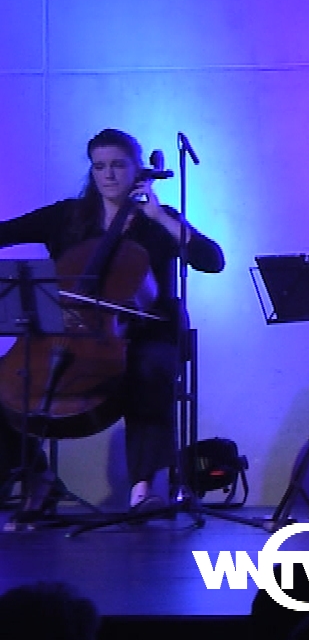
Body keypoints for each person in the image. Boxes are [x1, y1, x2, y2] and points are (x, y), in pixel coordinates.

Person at [0, 129, 225, 518]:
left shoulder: (158, 221)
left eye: (118, 165)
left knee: (149, 369)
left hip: (148, 333)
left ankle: (143, 490)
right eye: (100, 166)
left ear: (136, 169)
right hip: (69, 334)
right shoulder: (67, 216)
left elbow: (212, 260)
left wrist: (160, 216)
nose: (108, 175)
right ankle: (37, 476)